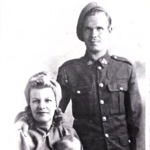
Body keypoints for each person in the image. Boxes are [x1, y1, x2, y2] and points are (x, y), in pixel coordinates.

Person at [15, 2, 142, 150]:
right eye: (88, 29)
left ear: (109, 30)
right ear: (82, 32)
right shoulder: (69, 71)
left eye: (99, 28)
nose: (94, 35)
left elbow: (136, 119)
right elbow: (52, 107)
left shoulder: (124, 68)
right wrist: (24, 120)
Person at [8, 72, 82, 150]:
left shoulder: (69, 134)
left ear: (56, 104)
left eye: (48, 100)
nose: (42, 106)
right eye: (36, 101)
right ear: (30, 104)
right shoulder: (22, 136)